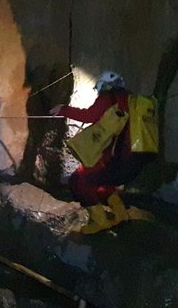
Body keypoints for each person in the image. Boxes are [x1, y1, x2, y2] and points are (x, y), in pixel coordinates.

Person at [49, 70, 155, 234]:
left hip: (121, 161)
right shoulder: (131, 100)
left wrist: (62, 109)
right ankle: (120, 214)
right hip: (135, 161)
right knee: (100, 181)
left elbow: (89, 116)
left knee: (78, 181)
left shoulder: (109, 99)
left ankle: (100, 221)